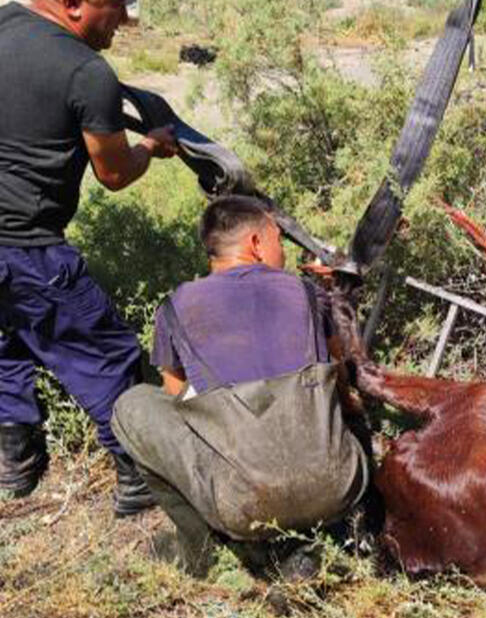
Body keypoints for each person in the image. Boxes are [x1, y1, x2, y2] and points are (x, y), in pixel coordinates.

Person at [111, 195, 370, 578]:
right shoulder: (305, 292)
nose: (281, 249)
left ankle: (201, 553)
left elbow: (177, 394)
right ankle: (330, 530)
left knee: (132, 405)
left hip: (244, 505)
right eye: (278, 239)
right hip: (341, 485)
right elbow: (339, 368)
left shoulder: (174, 308)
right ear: (255, 243)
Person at [0, 0, 178, 512]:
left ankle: (16, 464)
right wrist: (151, 146)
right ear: (75, 5)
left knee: (8, 343)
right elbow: (115, 174)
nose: (124, 19)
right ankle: (139, 476)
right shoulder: (86, 71)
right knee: (106, 357)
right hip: (29, 247)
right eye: (117, 6)